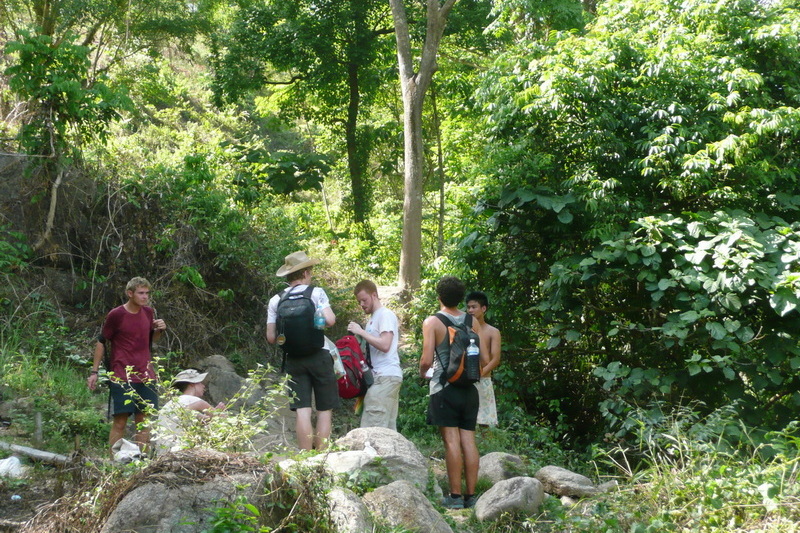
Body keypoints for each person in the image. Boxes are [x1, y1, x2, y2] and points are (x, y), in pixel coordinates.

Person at [419, 276, 487, 510]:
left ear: (439, 297)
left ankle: (455, 497)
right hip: (470, 390)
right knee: (468, 439)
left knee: (451, 441)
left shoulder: (433, 322)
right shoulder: (472, 321)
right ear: (461, 298)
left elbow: (427, 360)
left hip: (444, 389)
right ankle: (471, 496)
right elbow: (483, 359)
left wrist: (422, 373)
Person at [266, 251, 338, 450]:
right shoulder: (316, 293)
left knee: (302, 410)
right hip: (319, 355)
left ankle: (305, 458)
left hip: (294, 359)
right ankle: (321, 457)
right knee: (324, 409)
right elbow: (330, 320)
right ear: (305, 273)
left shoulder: (276, 300)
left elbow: (271, 337)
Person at [87, 277, 166, 454]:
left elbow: (150, 341)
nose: (145, 297)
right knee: (120, 421)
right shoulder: (116, 314)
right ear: (130, 294)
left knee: (143, 422)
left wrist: (159, 330)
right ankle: (114, 461)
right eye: (141, 293)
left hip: (146, 375)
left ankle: (142, 463)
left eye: (147, 293)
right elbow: (102, 341)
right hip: (122, 374)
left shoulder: (148, 312)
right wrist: (94, 372)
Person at [347, 280, 402, 430]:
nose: (362, 304)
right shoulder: (373, 319)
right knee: (387, 430)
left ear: (374, 295)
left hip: (385, 376)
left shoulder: (384, 315)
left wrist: (361, 332)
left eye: (364, 300)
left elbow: (385, 345)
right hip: (382, 376)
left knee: (372, 429)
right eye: (359, 302)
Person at [153, 368, 226, 454]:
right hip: (181, 450)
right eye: (200, 383)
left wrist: (212, 416)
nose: (203, 386)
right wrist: (218, 412)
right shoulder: (193, 400)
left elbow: (203, 420)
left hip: (163, 452)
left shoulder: (172, 403)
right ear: (192, 384)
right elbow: (221, 418)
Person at [466, 291, 501, 428]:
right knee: (466, 421)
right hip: (466, 379)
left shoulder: (493, 331)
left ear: (483, 308)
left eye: (474, 307)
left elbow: (495, 359)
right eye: (468, 307)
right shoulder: (464, 329)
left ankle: (489, 450)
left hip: (484, 379)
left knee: (485, 423)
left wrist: (479, 373)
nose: (470, 310)